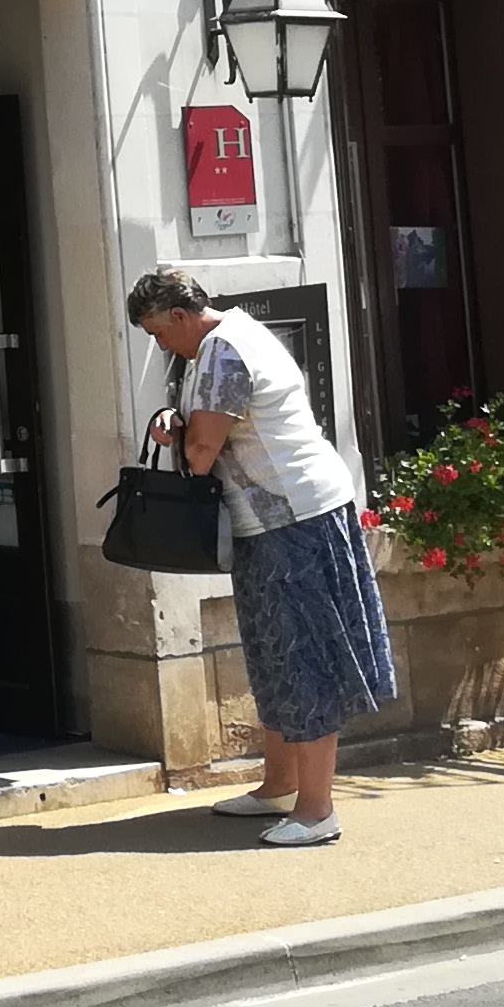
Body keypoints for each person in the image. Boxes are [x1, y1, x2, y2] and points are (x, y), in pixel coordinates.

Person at [128, 266, 398, 845]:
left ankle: (316, 811)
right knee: (275, 654)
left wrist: (175, 435)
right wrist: (183, 425)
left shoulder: (223, 351)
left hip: (294, 520)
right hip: (279, 519)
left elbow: (202, 452)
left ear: (181, 315)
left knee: (302, 657)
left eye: (158, 332)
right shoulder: (230, 337)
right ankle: (279, 787)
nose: (161, 345)